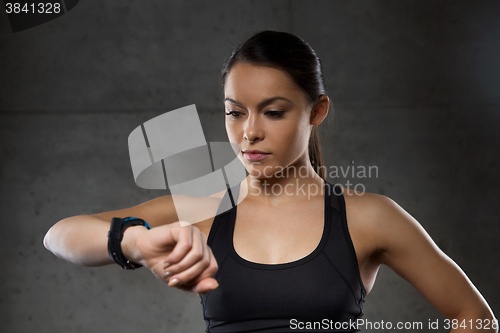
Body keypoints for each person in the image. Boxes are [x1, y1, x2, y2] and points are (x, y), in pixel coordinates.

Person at [44, 30, 497, 333]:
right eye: (234, 112)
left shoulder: (369, 217)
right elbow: (59, 236)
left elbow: (475, 317)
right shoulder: (203, 211)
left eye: (273, 112)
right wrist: (133, 243)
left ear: (315, 112)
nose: (249, 132)